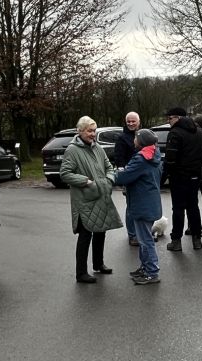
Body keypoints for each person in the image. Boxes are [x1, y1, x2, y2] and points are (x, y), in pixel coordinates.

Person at [60, 116, 123, 283]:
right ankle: (81, 273)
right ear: (80, 131)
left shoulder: (97, 147)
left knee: (100, 231)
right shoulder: (72, 150)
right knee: (85, 235)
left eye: (94, 130)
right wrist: (85, 181)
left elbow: (109, 166)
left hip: (101, 196)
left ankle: (98, 264)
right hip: (85, 199)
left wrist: (109, 180)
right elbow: (65, 174)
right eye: (89, 131)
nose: (93, 134)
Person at [111, 129, 163, 285]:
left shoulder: (141, 159)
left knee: (145, 240)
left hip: (142, 204)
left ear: (141, 141)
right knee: (143, 238)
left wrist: (111, 174)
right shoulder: (154, 155)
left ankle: (152, 272)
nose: (133, 140)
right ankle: (145, 267)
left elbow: (124, 177)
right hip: (150, 202)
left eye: (136, 138)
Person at [163, 107, 202, 252]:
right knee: (193, 207)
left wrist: (165, 176)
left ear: (178, 118)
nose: (168, 121)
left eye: (170, 118)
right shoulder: (199, 132)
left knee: (178, 209)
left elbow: (170, 159)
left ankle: (176, 240)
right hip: (195, 175)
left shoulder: (175, 133)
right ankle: (197, 239)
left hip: (179, 177)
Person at [115, 111, 141, 246]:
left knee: (142, 206)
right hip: (130, 178)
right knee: (131, 207)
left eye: (133, 121)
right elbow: (119, 159)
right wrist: (124, 177)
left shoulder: (142, 136)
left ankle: (142, 233)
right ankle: (132, 235)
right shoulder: (122, 138)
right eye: (128, 121)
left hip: (142, 178)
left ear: (139, 122)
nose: (131, 123)